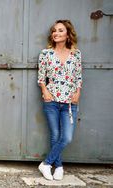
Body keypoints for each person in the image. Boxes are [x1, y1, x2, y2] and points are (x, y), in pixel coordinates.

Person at [37, 20, 82, 181]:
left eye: (60, 30)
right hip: (51, 100)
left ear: (68, 34)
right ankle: (59, 167)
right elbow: (41, 77)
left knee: (67, 137)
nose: (56, 33)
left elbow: (78, 77)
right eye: (54, 31)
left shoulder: (76, 54)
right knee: (55, 135)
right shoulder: (45, 54)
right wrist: (45, 91)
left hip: (69, 102)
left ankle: (46, 164)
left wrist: (77, 93)